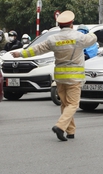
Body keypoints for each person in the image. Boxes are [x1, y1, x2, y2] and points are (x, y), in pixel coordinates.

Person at [11, 10, 97, 142]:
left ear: (59, 25)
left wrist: (21, 54)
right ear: (71, 24)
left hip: (60, 78)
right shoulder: (79, 37)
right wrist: (89, 31)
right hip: (74, 77)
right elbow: (93, 39)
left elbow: (37, 49)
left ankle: (70, 131)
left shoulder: (53, 39)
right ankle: (60, 126)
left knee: (65, 104)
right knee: (73, 104)